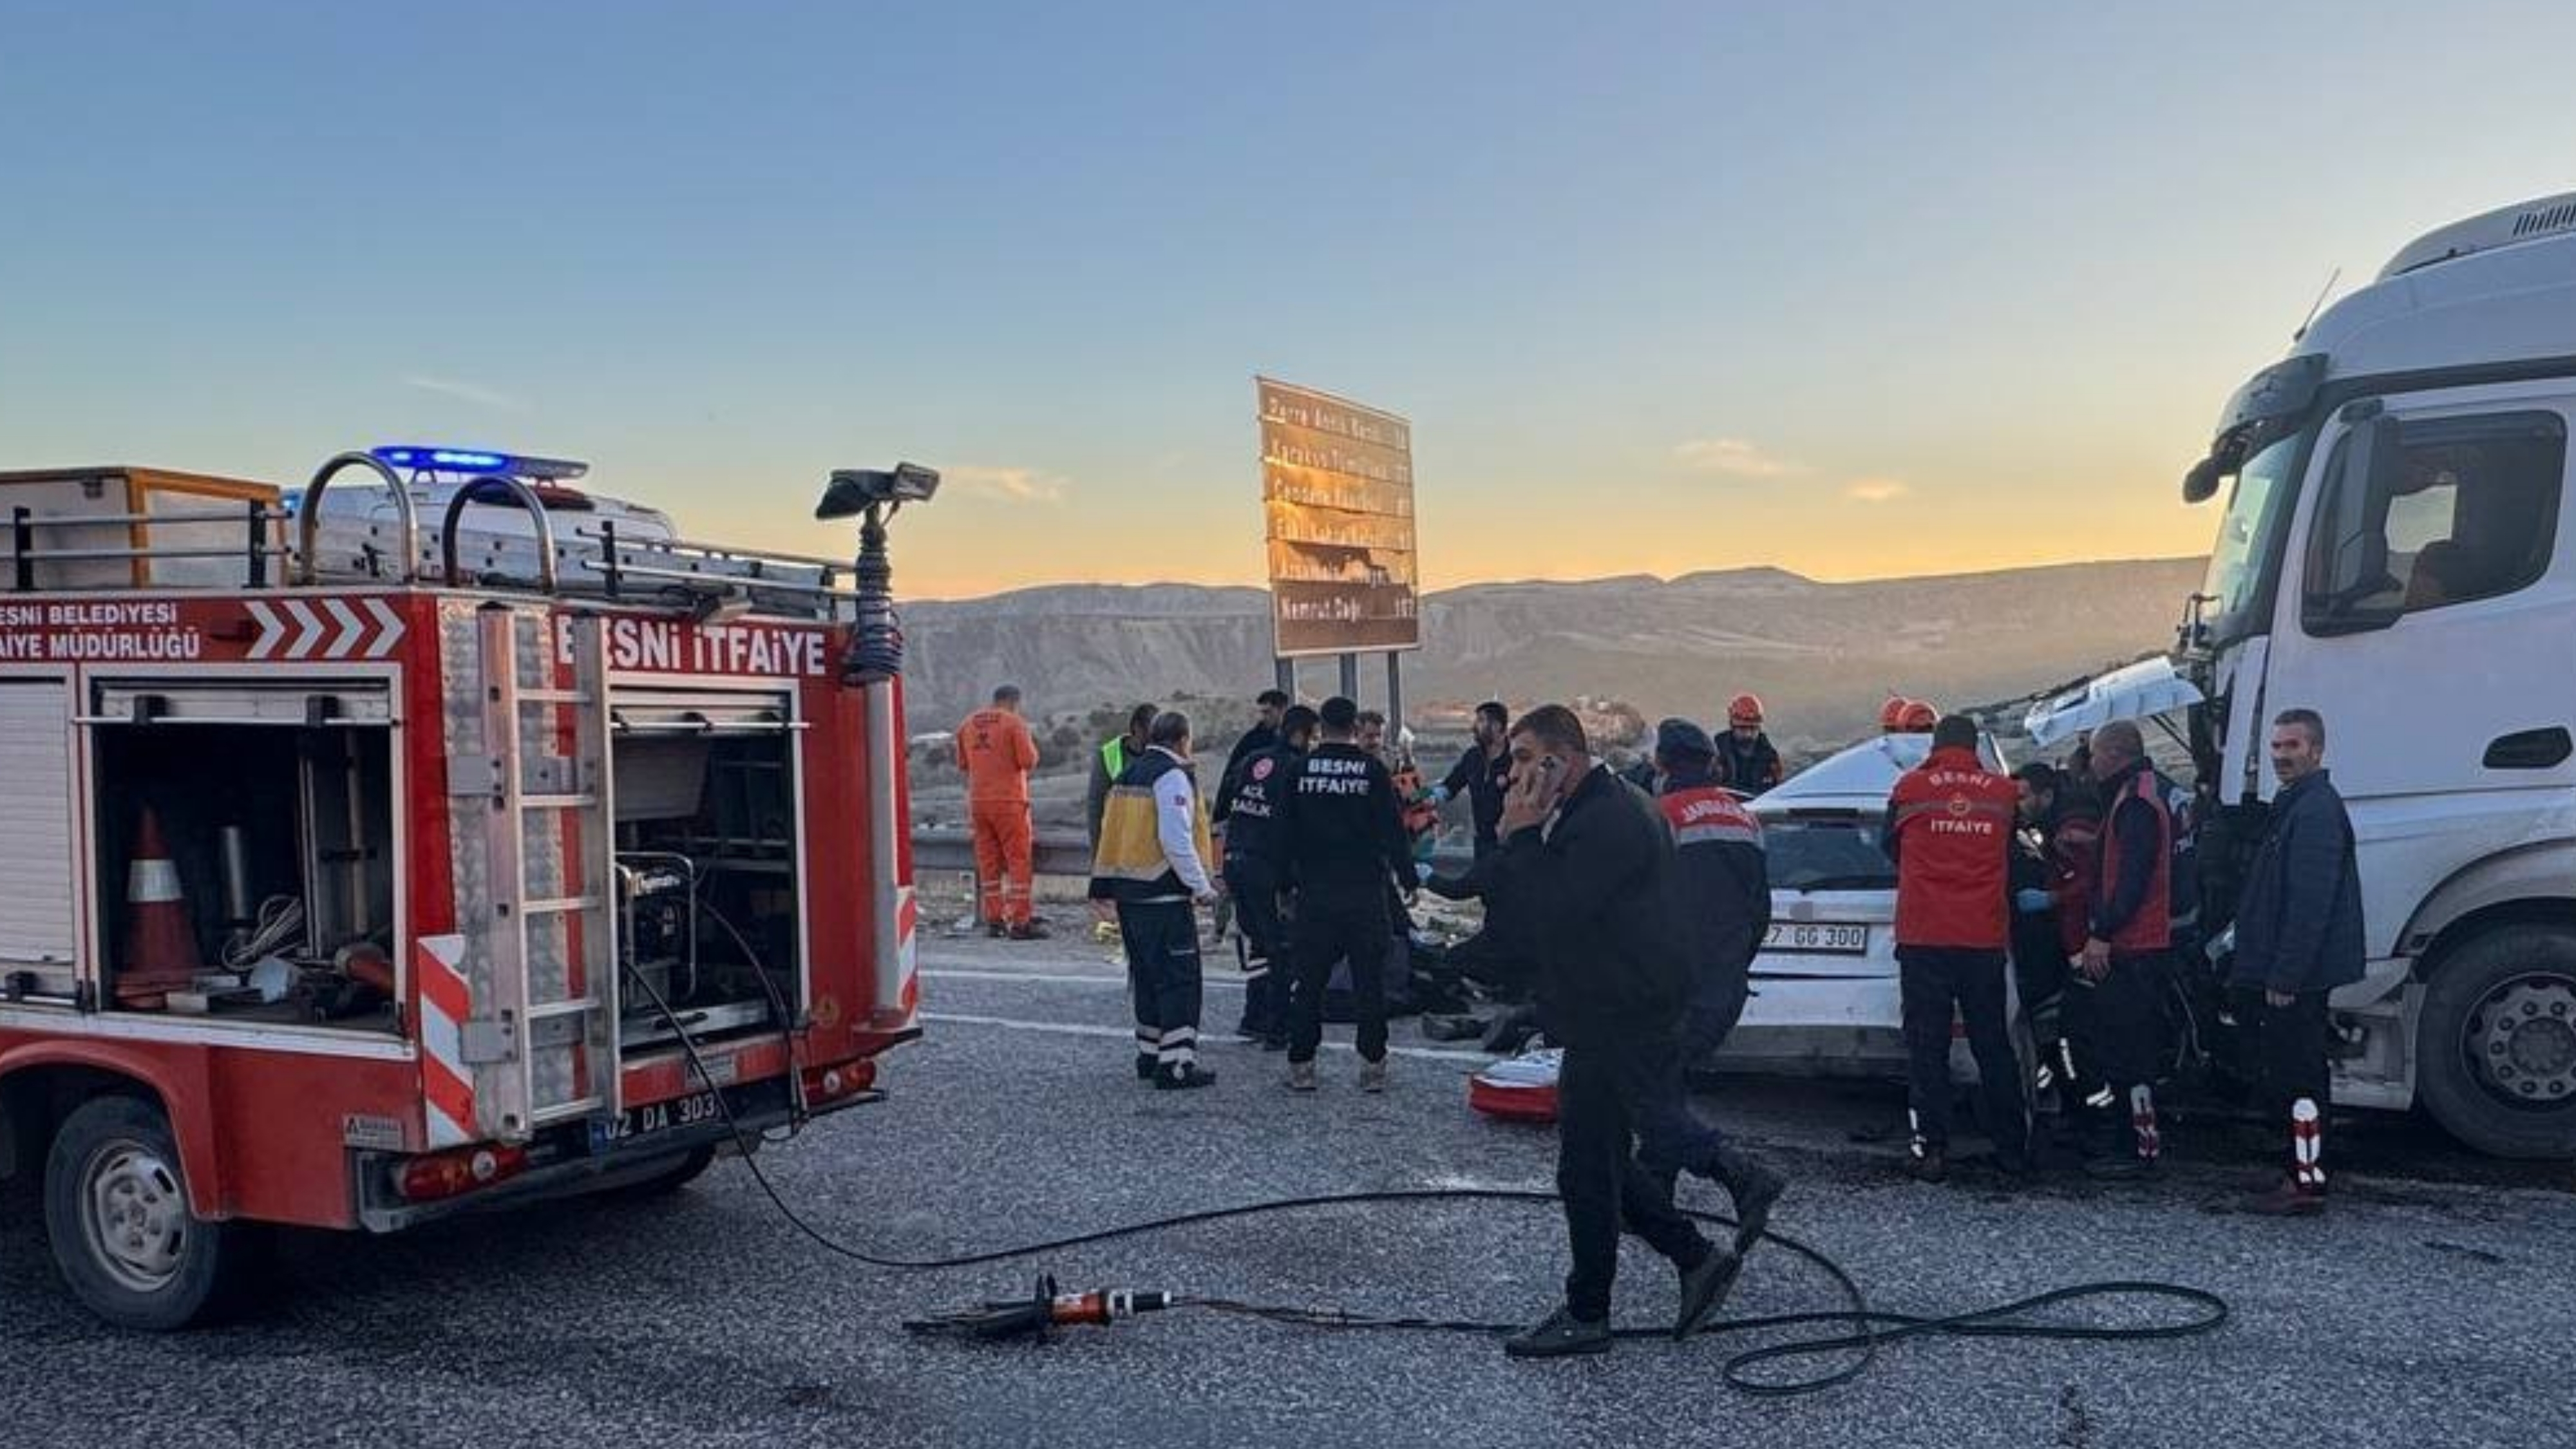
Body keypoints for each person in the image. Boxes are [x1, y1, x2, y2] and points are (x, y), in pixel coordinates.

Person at [1486, 705, 1744, 1359]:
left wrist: (1519, 835)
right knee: (1594, 1160)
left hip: (1621, 1009)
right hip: (1611, 1004)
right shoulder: (1607, 805)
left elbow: (1552, 913)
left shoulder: (1604, 819)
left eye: (1522, 759)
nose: (1510, 773)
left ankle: (1598, 1306)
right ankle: (1689, 1258)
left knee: (1593, 1161)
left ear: (1559, 760)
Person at [1640, 720, 1788, 1217]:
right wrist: (1732, 969)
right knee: (1666, 1084)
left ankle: (1737, 1171)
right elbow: (1759, 909)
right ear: (1712, 765)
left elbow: (1638, 906)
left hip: (1669, 987)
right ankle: (1651, 1201)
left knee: (1643, 1091)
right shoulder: (1744, 820)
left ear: (1662, 765)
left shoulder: (1660, 816)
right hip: (1723, 987)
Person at [1881, 714, 2030, 1184]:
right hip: (1982, 938)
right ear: (1975, 748)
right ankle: (2013, 1149)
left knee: (1928, 1046)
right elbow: (2012, 852)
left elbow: (1893, 848)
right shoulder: (2003, 794)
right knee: (1993, 1045)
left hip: (1924, 935)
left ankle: (1932, 1150)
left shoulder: (1910, 788)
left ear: (1937, 744)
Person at [2229, 708, 2364, 1216]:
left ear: (2317, 750)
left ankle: (2306, 1181)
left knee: (2301, 1077)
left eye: (2292, 746)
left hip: (2297, 980)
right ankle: (2295, 1164)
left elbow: (2311, 904)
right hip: (2286, 971)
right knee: (2288, 1074)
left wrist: (2286, 974)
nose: (2281, 755)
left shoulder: (2315, 813)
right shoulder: (2297, 805)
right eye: (2277, 746)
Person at [1278, 697, 1412, 1094]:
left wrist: (1284, 886)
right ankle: (1373, 1067)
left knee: (1309, 981)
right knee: (1369, 982)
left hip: (1316, 895)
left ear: (1321, 727)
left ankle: (1302, 1066)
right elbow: (1394, 831)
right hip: (1364, 895)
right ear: (1354, 726)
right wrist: (1409, 880)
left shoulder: (1299, 770)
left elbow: (1282, 833)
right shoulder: (1372, 771)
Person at [1086, 711, 1220, 1090]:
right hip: (1162, 895)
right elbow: (1175, 839)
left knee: (1146, 978)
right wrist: (1202, 888)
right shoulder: (1171, 776)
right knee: (1179, 979)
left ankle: (1149, 1054)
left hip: (1130, 895)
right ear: (1183, 740)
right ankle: (1176, 1063)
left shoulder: (1130, 774)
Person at [2070, 719, 2177, 1177]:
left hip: (2135, 945)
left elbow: (2132, 877)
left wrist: (2103, 932)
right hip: (2142, 942)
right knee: (2127, 1048)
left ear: (2114, 754)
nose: (2090, 765)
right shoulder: (2144, 792)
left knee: (2129, 1052)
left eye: (2094, 756)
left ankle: (2136, 1148)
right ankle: (2134, 1141)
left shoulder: (2133, 803)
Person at [2011, 762, 2103, 1144]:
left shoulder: (2071, 832)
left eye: (2023, 795)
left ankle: (2091, 1120)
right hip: (2071, 947)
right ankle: (2078, 1112)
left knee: (2071, 1040)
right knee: (2062, 1038)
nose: (2017, 803)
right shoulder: (2052, 827)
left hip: (2085, 947)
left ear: (2046, 796)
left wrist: (2051, 898)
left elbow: (2096, 884)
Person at [1221, 704, 1317, 1051]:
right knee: (1280, 949)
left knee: (1258, 944)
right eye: (1313, 736)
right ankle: (1278, 1028)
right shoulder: (1296, 767)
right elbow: (1300, 825)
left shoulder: (1253, 760)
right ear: (1301, 734)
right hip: (1266, 869)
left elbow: (1231, 801)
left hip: (1234, 860)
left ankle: (1253, 1017)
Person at [956, 685, 1047, 940]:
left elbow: (963, 764)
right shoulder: (1014, 723)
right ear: (1015, 702)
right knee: (1018, 860)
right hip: (1009, 801)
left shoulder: (967, 724)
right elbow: (1029, 761)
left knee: (988, 862)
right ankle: (1021, 922)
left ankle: (994, 919)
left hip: (978, 802)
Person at [1435, 701, 1515, 859]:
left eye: (1480, 720)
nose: (1474, 727)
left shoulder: (1516, 759)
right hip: (1482, 844)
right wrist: (1425, 796)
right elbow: (1450, 786)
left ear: (1497, 726)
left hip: (1510, 845)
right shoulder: (1473, 758)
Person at [1211, 688, 1291, 825]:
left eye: (1268, 712)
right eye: (1263, 713)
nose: (1264, 717)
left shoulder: (1293, 740)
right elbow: (1231, 778)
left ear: (1282, 710)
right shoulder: (1252, 741)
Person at [1086, 704, 1158, 851]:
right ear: (1137, 728)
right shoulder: (1108, 755)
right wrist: (1098, 854)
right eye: (1152, 733)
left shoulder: (1159, 755)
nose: (1156, 739)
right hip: (1117, 845)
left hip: (1150, 848)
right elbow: (1095, 808)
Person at [1712, 694, 1785, 795]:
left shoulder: (1770, 757)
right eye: (1743, 728)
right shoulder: (1716, 751)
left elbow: (1778, 791)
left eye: (1752, 729)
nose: (1748, 734)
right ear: (1732, 725)